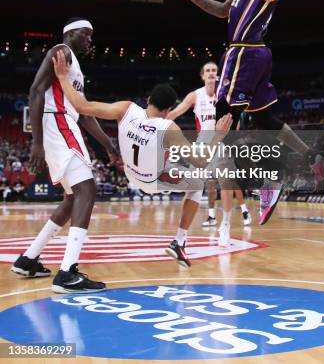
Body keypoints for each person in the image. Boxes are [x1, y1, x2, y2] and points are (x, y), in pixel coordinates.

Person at [165, 0, 324, 245]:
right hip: (252, 55)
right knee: (264, 117)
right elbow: (222, 10)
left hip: (244, 54)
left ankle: (266, 180)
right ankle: (313, 159)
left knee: (227, 123)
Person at [52, 49, 233, 269]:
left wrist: (62, 78)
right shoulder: (168, 127)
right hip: (154, 180)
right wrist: (218, 136)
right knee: (198, 182)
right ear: (168, 110)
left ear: (148, 100)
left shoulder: (126, 108)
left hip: (130, 175)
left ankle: (180, 240)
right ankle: (179, 240)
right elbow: (201, 161)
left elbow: (82, 107)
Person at [11, 17, 117, 293]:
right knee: (87, 190)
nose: (90, 40)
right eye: (86, 34)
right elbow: (35, 90)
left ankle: (28, 259)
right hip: (57, 123)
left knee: (73, 197)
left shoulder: (74, 67)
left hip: (64, 123)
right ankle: (68, 271)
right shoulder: (62, 50)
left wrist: (107, 143)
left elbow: (83, 112)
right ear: (70, 34)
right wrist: (36, 142)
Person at [167, 61, 252, 229]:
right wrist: (155, 122)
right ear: (202, 75)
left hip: (222, 143)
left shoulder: (227, 95)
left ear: (218, 75)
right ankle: (208, 218)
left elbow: (238, 117)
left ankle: (228, 222)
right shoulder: (195, 95)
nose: (211, 73)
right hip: (202, 145)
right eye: (208, 70)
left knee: (228, 183)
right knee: (197, 185)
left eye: (214, 70)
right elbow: (176, 112)